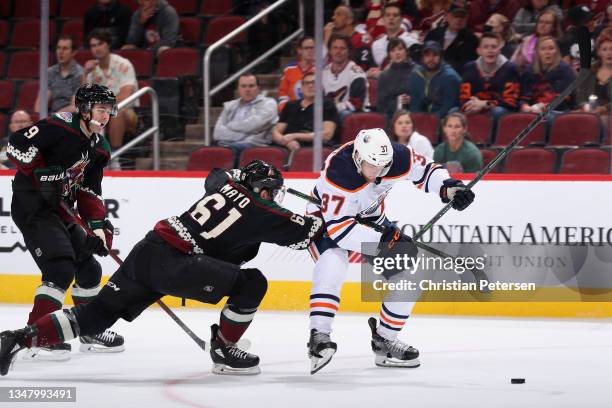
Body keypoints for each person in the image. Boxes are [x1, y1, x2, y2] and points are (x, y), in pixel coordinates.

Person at [1, 160, 324, 377]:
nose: (275, 198)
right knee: (252, 284)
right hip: (179, 264)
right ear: (264, 189)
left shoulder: (223, 184)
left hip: (150, 249)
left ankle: (18, 338)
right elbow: (310, 231)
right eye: (273, 191)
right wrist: (330, 211)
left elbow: (217, 174)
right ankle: (225, 349)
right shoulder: (262, 210)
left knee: (95, 315)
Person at [306, 127, 475, 373]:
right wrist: (387, 241)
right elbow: (341, 232)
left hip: (372, 218)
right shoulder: (338, 171)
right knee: (332, 264)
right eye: (371, 166)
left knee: (409, 277)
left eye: (383, 168)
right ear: (357, 158)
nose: (377, 173)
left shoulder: (396, 156)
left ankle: (385, 340)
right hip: (328, 220)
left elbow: (427, 170)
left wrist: (449, 188)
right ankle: (319, 336)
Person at [4, 83, 125, 361]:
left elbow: (89, 191)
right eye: (100, 109)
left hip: (60, 208)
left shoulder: (100, 147)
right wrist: (39, 173)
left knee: (89, 268)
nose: (106, 116)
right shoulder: (60, 126)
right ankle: (37, 337)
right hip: (32, 204)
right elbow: (16, 144)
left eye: (109, 111)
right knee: (59, 268)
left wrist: (97, 226)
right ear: (84, 110)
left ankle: (88, 328)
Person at [83, 29, 139, 153]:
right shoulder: (92, 70)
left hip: (127, 110)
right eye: (93, 45)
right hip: (99, 111)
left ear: (108, 44)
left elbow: (125, 95)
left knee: (115, 113)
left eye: (100, 44)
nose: (97, 48)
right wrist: (85, 73)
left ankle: (115, 158)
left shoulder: (123, 64)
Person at [214, 73, 278, 160]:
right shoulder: (229, 105)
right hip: (226, 144)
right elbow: (217, 133)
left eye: (251, 86)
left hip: (254, 145)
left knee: (229, 150)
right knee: (207, 151)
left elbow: (255, 125)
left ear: (258, 88)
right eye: (243, 86)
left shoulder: (269, 103)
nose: (247, 89)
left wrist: (230, 126)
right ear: (238, 89)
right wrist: (245, 134)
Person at [460, 32, 520, 120]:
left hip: (500, 109)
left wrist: (485, 104)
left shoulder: (510, 69)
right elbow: (463, 98)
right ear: (479, 51)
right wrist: (473, 106)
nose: (490, 50)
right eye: (486, 47)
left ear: (499, 50)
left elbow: (511, 102)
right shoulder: (469, 68)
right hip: (475, 106)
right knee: (453, 112)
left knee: (497, 112)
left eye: (494, 47)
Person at [272, 72, 338, 152]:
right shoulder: (290, 105)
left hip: (314, 148)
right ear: (301, 88)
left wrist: (295, 136)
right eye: (306, 83)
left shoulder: (327, 105)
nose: (310, 86)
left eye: (314, 82)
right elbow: (276, 131)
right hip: (287, 146)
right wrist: (286, 142)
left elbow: (327, 135)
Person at [519, 36, 576, 114]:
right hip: (533, 111)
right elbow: (523, 98)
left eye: (551, 48)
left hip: (558, 112)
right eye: (543, 49)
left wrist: (545, 107)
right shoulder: (529, 71)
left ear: (557, 51)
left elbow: (565, 98)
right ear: (537, 52)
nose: (547, 52)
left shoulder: (565, 70)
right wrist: (527, 108)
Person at [322, 33, 369, 121]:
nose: (338, 52)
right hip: (328, 113)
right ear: (330, 51)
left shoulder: (357, 73)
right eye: (335, 48)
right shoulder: (324, 73)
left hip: (353, 114)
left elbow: (357, 103)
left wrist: (332, 108)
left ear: (349, 51)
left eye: (342, 48)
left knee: (344, 114)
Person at [408, 40, 461, 118]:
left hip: (444, 120)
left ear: (441, 57)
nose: (431, 58)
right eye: (427, 55)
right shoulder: (415, 74)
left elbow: (448, 107)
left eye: (435, 55)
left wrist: (432, 120)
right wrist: (417, 119)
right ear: (422, 58)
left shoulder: (450, 77)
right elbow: (415, 103)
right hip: (421, 119)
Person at [424, 2, 479, 74]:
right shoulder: (433, 34)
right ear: (447, 16)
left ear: (467, 18)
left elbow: (467, 65)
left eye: (462, 16)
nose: (459, 19)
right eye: (455, 15)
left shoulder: (471, 39)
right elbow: (424, 55)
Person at [35, 35, 83, 114]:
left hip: (71, 118)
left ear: (74, 52)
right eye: (59, 48)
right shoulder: (50, 72)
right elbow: (41, 102)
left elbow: (75, 107)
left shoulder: (79, 74)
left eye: (65, 49)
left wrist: (57, 116)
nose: (60, 52)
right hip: (52, 117)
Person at [576, 28, 612, 129]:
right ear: (599, 52)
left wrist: (604, 108)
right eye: (604, 49)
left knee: (602, 120)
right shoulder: (589, 71)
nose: (609, 53)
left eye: (611, 49)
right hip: (589, 112)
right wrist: (586, 107)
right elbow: (580, 97)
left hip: (608, 114)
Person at [323, 5, 375, 72]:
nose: (333, 17)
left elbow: (364, 66)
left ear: (349, 20)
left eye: (338, 14)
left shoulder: (362, 38)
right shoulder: (333, 39)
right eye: (334, 14)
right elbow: (321, 65)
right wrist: (326, 39)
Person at [371, 2, 419, 70]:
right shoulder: (376, 44)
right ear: (383, 19)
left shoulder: (411, 42)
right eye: (387, 15)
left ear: (401, 19)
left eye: (395, 15)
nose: (391, 18)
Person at [376, 38, 415, 120]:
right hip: (392, 117)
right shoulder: (384, 76)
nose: (397, 53)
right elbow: (381, 105)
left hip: (415, 113)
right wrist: (398, 101)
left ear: (406, 51)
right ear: (389, 55)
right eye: (393, 50)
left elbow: (425, 96)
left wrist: (412, 99)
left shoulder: (417, 72)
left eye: (400, 49)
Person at [277, 36, 315, 112]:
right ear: (299, 50)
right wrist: (286, 109)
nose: (310, 51)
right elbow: (282, 94)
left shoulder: (321, 71)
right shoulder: (289, 69)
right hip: (292, 111)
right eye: (306, 48)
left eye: (312, 48)